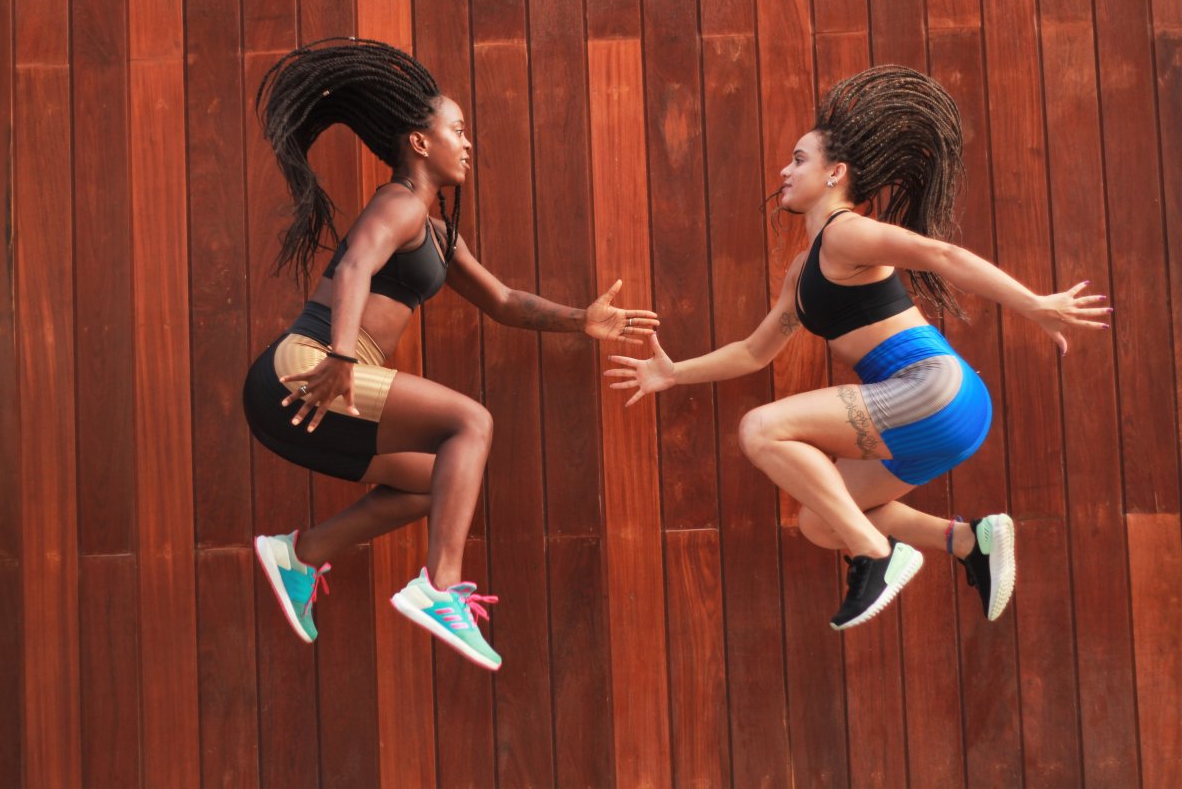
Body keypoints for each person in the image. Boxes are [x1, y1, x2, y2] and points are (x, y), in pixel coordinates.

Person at [605, 65, 1110, 630]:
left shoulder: (846, 232)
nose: (784, 170)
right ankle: (970, 541)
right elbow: (754, 351)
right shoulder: (805, 267)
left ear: (835, 173)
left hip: (929, 387)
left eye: (799, 159)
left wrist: (1034, 304)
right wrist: (674, 373)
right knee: (821, 521)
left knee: (761, 430)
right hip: (936, 415)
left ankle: (876, 554)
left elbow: (941, 255)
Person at [244, 38, 658, 670]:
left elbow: (504, 301)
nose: (467, 143)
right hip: (310, 365)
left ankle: (298, 557)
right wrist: (343, 356)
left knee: (432, 483)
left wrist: (582, 320)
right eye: (457, 130)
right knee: (471, 423)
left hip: (323, 378)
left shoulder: (438, 233)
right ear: (419, 141)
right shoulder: (398, 202)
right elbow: (355, 266)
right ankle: (439, 590)